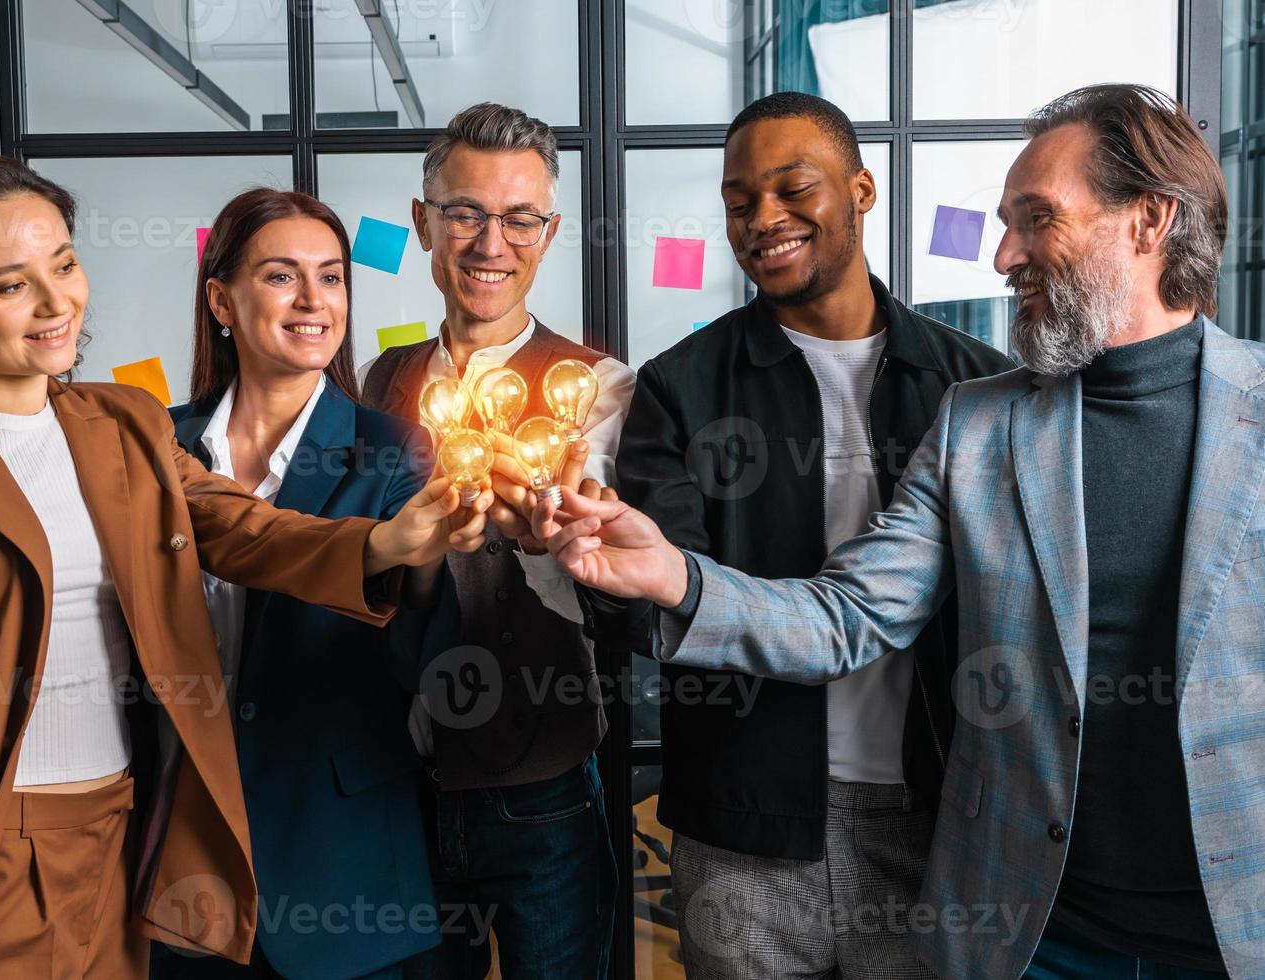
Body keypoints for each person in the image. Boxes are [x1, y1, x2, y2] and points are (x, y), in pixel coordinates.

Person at [533, 85, 1250, 980]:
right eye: (1003, 222)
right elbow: (847, 616)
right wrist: (675, 577)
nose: (1002, 255)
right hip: (1027, 928)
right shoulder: (982, 423)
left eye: (1036, 220)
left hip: (1229, 923)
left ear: (1149, 220)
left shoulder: (1224, 417)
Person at [0, 155, 488, 980]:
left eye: (65, 265)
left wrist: (384, 544)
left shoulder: (119, 422)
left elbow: (244, 531)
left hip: (126, 843)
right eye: (12, 285)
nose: (58, 304)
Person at [579, 91, 1011, 979]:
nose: (761, 219)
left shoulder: (980, 388)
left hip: (934, 824)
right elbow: (649, 616)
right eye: (740, 202)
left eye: (791, 189)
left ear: (861, 189)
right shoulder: (679, 387)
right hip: (742, 832)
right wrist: (590, 562)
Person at [356, 102, 635, 978]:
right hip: (405, 772)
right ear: (423, 225)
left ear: (548, 233)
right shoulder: (384, 377)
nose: (490, 243)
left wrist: (562, 539)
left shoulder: (598, 386)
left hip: (540, 781)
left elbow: (623, 583)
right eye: (466, 213)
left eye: (519, 218)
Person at [151, 187, 455, 980]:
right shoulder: (156, 447)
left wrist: (416, 563)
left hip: (344, 865)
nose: (315, 301)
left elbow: (424, 658)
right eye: (282, 276)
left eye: (332, 277)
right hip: (182, 865)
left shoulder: (397, 450)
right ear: (222, 297)